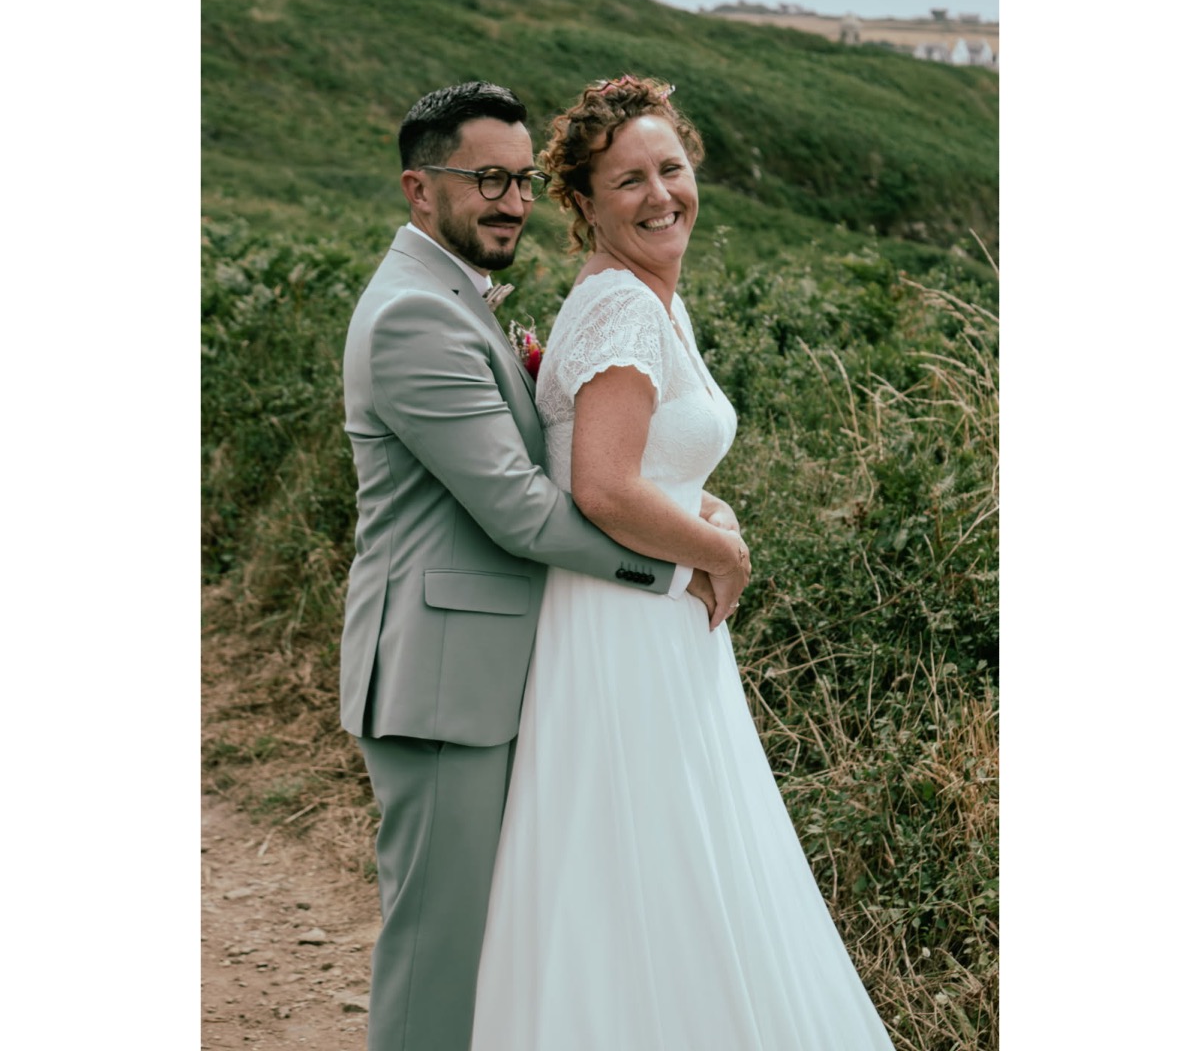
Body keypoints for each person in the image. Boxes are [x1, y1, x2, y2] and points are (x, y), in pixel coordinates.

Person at [470, 76, 896, 1050]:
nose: (661, 195)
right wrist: (722, 552)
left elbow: (645, 460)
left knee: (670, 860)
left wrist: (698, 503)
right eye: (629, 181)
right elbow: (604, 487)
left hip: (654, 623)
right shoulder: (621, 308)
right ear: (583, 205)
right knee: (649, 861)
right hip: (624, 627)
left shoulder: (652, 298)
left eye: (671, 168)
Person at [339, 80, 750, 1051]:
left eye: (522, 180)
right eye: (486, 178)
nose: (511, 201)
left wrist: (686, 506)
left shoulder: (456, 299)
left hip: (501, 663)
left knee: (506, 942)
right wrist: (676, 569)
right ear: (418, 187)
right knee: (439, 952)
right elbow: (524, 507)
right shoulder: (414, 316)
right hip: (444, 678)